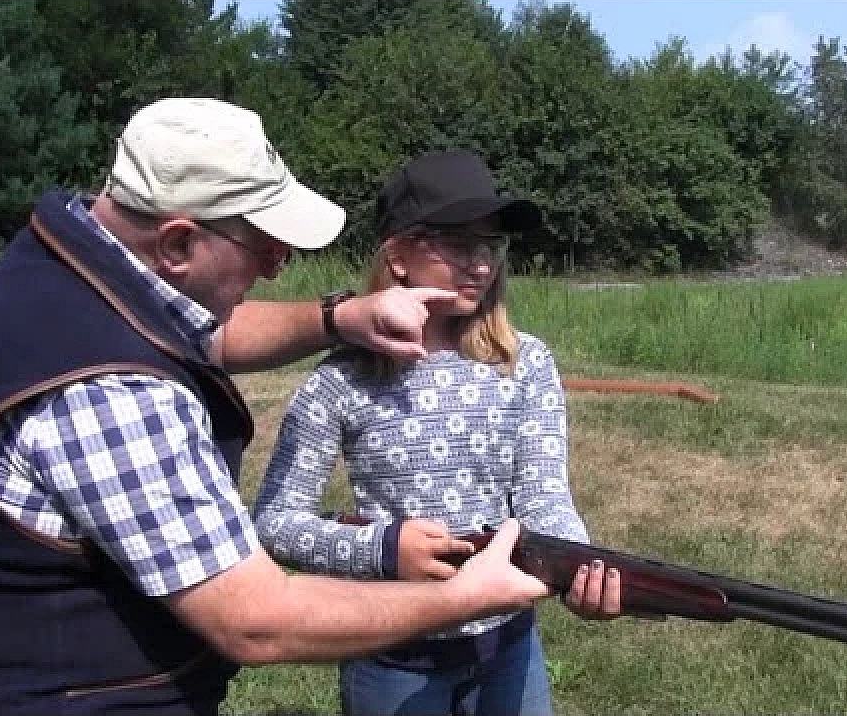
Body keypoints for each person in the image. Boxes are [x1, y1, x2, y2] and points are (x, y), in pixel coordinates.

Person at [0, 98, 591, 716]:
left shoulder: (69, 268)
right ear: (179, 242)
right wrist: (461, 592)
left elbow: (206, 331)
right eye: (262, 243)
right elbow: (256, 620)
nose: (279, 262)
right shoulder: (111, 395)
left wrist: (337, 318)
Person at [252, 149, 622, 716]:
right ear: (398, 256)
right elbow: (276, 523)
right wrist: (382, 550)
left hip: (509, 652)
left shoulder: (525, 365)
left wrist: (578, 566)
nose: (480, 264)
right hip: (392, 658)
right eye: (457, 244)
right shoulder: (342, 381)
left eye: (492, 246)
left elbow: (545, 497)